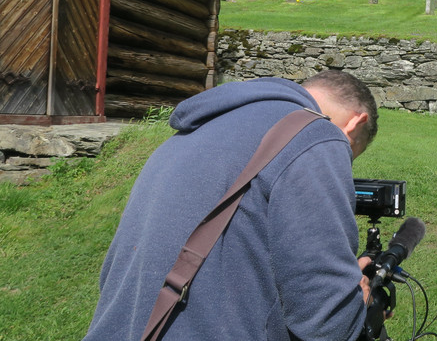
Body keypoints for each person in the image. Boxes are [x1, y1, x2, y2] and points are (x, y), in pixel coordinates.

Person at [83, 70, 379, 341]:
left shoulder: (198, 128)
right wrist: (357, 299)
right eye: (350, 155)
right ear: (355, 123)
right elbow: (325, 322)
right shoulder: (316, 134)